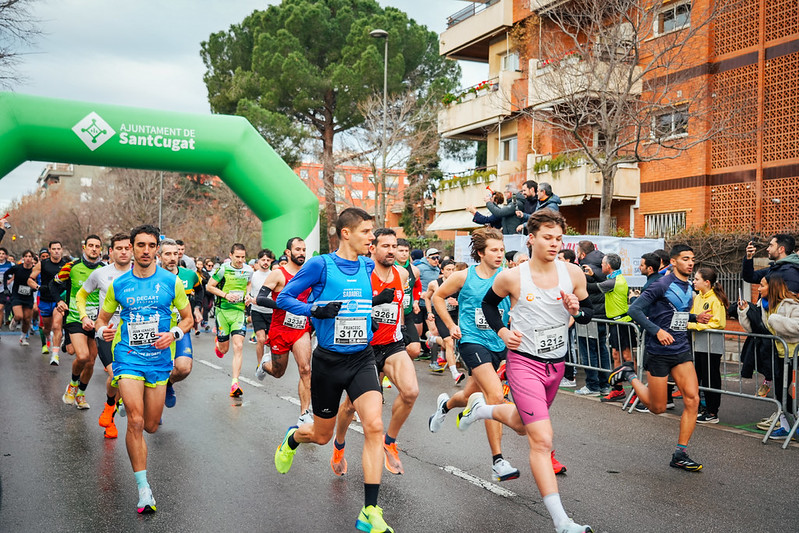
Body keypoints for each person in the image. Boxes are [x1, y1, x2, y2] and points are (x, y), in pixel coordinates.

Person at [454, 209, 594, 533]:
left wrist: (578, 310)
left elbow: (589, 311)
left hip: (556, 366)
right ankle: (562, 522)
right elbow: (487, 306)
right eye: (547, 237)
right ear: (531, 239)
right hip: (524, 363)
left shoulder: (572, 274)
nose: (555, 243)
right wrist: (502, 332)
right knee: (542, 440)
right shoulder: (513, 277)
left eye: (559, 238)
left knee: (521, 425)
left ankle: (481, 409)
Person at [273, 207, 394, 533]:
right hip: (328, 361)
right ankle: (294, 438)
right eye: (367, 232)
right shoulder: (320, 265)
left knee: (374, 425)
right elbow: (284, 298)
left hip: (361, 358)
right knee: (322, 436)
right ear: (346, 233)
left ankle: (370, 511)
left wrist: (379, 302)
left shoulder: (367, 264)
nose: (372, 237)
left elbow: (366, 296)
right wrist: (315, 308)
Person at [94, 224, 193, 513]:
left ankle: (129, 401)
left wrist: (173, 334)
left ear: (157, 250)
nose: (146, 251)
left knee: (150, 425)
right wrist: (103, 333)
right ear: (132, 248)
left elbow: (187, 319)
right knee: (135, 422)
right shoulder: (119, 285)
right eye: (141, 246)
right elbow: (102, 319)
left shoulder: (171, 282)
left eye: (152, 246)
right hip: (128, 357)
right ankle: (143, 488)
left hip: (159, 360)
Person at [427, 227, 522, 483]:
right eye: (493, 250)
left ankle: (445, 406)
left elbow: (517, 308)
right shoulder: (464, 276)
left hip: (498, 343)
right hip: (471, 341)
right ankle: (498, 462)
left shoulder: (509, 277)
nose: (499, 254)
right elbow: (437, 297)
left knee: (469, 395)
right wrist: (451, 324)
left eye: (501, 249)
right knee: (494, 395)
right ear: (480, 253)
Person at [613, 244, 711, 471]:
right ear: (674, 262)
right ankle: (628, 374)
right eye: (685, 258)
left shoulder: (688, 286)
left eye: (692, 259)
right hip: (658, 352)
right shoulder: (661, 284)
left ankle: (680, 453)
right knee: (657, 408)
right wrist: (656, 330)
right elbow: (634, 310)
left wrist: (697, 317)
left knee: (692, 399)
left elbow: (675, 314)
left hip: (681, 349)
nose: (690, 262)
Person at [330, 228, 419, 477]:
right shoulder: (362, 273)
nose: (391, 251)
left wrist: (407, 331)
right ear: (373, 248)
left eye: (394, 246)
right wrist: (375, 305)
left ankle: (389, 441)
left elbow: (403, 307)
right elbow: (348, 304)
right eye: (385, 246)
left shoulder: (402, 274)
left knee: (411, 392)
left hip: (391, 344)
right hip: (364, 347)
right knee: (349, 407)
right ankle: (338, 444)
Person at [75, 233, 132, 439]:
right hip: (106, 332)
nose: (124, 251)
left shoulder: (141, 274)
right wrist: (83, 317)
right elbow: (81, 295)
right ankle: (111, 410)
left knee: (125, 378)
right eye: (119, 248)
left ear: (132, 250)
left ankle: (110, 410)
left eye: (127, 248)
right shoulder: (100, 274)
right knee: (115, 375)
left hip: (131, 335)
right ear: (111, 251)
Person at [254, 237, 313, 426]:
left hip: (301, 329)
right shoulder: (278, 274)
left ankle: (304, 413)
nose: (302, 253)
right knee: (278, 372)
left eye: (304, 249)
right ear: (288, 253)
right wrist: (284, 305)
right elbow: (261, 298)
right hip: (280, 329)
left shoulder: (309, 274)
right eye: (298, 249)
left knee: (305, 369)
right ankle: (264, 364)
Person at [738, 274, 799, 439]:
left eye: (762, 285)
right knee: (780, 393)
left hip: (794, 355)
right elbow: (755, 329)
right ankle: (787, 427)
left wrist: (775, 319)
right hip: (778, 356)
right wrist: (744, 312)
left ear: (772, 287)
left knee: (789, 392)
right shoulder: (765, 306)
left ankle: (794, 425)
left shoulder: (791, 304)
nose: (758, 289)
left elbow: (797, 326)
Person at [51, 235, 105, 410]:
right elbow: (53, 284)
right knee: (82, 356)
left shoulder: (105, 269)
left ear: (101, 249)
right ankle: (73, 384)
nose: (94, 249)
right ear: (84, 248)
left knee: (91, 362)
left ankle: (81, 394)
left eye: (97, 246)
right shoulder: (72, 267)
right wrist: (59, 301)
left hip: (97, 321)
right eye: (91, 245)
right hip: (75, 317)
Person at [157, 239, 202, 408]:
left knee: (183, 368)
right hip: (156, 330)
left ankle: (169, 384)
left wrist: (197, 308)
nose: (172, 258)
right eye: (167, 254)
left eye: (175, 254)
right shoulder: (152, 276)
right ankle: (155, 406)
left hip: (181, 328)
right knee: (155, 373)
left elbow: (200, 289)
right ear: (159, 256)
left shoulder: (189, 275)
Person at [205, 243, 253, 397]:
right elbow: (209, 286)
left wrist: (248, 295)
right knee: (224, 349)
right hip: (223, 312)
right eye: (237, 257)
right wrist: (225, 295)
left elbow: (249, 283)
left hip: (239, 312)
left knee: (238, 346)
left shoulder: (248, 270)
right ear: (231, 255)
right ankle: (218, 344)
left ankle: (235, 383)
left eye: (243, 257)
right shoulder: (223, 269)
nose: (240, 260)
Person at [688, 267, 729, 424]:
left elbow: (717, 323)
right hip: (699, 343)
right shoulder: (698, 298)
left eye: (696, 279)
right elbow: (695, 317)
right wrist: (694, 322)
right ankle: (702, 408)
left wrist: (693, 326)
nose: (694, 282)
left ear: (707, 282)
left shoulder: (715, 299)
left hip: (712, 344)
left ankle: (712, 412)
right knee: (699, 377)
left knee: (711, 378)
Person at [424, 259, 465, 383]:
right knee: (449, 343)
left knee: (454, 343)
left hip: (455, 315)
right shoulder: (435, 284)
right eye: (448, 270)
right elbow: (427, 297)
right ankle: (455, 373)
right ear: (442, 271)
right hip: (441, 316)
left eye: (453, 269)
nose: (451, 272)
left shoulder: (459, 283)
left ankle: (432, 339)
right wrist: (429, 312)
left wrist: (457, 303)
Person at [27, 241, 68, 361]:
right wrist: (38, 287)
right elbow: (30, 280)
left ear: (62, 250)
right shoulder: (42, 264)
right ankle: (48, 338)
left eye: (58, 248)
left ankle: (55, 355)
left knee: (57, 326)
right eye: (54, 249)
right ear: (49, 250)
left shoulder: (66, 265)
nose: (56, 251)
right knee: (47, 328)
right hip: (45, 299)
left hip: (59, 300)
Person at [395, 238, 422, 359]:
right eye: (401, 250)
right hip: (393, 315)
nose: (404, 253)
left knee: (415, 350)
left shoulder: (414, 270)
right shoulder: (389, 268)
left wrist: (416, 301)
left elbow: (417, 286)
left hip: (407, 314)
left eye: (406, 250)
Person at [248, 248, 275, 371]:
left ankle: (268, 361)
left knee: (270, 341)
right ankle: (260, 365)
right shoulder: (253, 275)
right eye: (263, 259)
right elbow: (248, 289)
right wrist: (248, 297)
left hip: (271, 312)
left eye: (268, 260)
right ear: (258, 261)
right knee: (260, 339)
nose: (265, 262)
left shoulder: (274, 275)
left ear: (271, 261)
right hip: (257, 310)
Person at [3, 249, 36, 345]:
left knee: (26, 319)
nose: (28, 259)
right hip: (17, 295)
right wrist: (5, 287)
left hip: (28, 296)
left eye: (30, 256)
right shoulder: (17, 268)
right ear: (23, 258)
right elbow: (6, 274)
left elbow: (38, 279)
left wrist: (35, 288)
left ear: (32, 258)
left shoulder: (34, 269)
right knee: (19, 315)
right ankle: (15, 320)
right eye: (26, 256)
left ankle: (23, 338)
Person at [415, 248, 441, 346]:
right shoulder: (420, 268)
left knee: (433, 330)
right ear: (427, 258)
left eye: (438, 258)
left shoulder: (437, 270)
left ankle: (428, 351)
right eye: (433, 258)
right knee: (419, 330)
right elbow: (414, 283)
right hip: (419, 303)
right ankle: (417, 349)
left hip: (431, 304)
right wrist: (420, 293)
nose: (436, 260)